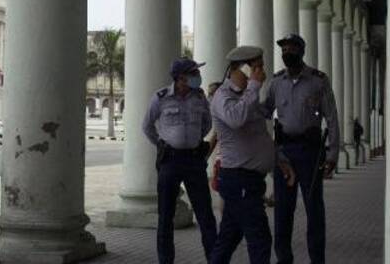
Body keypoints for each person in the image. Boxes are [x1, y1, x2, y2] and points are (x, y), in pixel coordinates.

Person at [210, 46, 296, 264]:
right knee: (260, 239)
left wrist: (280, 160)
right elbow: (235, 119)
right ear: (243, 68)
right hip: (238, 179)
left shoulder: (248, 96)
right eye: (257, 67)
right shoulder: (223, 96)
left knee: (229, 237)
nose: (262, 72)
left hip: (249, 180)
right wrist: (254, 86)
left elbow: (261, 137)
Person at [264, 33, 340, 264]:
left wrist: (333, 154)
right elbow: (263, 114)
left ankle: (317, 260)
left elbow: (332, 118)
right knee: (282, 213)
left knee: (314, 211)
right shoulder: (276, 82)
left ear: (301, 51)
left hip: (310, 153)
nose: (286, 53)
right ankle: (284, 259)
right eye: (283, 49)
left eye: (291, 49)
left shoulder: (318, 81)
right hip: (284, 154)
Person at [141, 57, 218, 264]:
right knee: (166, 217)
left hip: (194, 161)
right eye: (194, 73)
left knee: (205, 216)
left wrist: (192, 141)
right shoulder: (161, 97)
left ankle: (214, 259)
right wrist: (162, 143)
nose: (198, 77)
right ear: (180, 77)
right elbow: (147, 126)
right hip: (170, 161)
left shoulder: (200, 98)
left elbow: (207, 124)